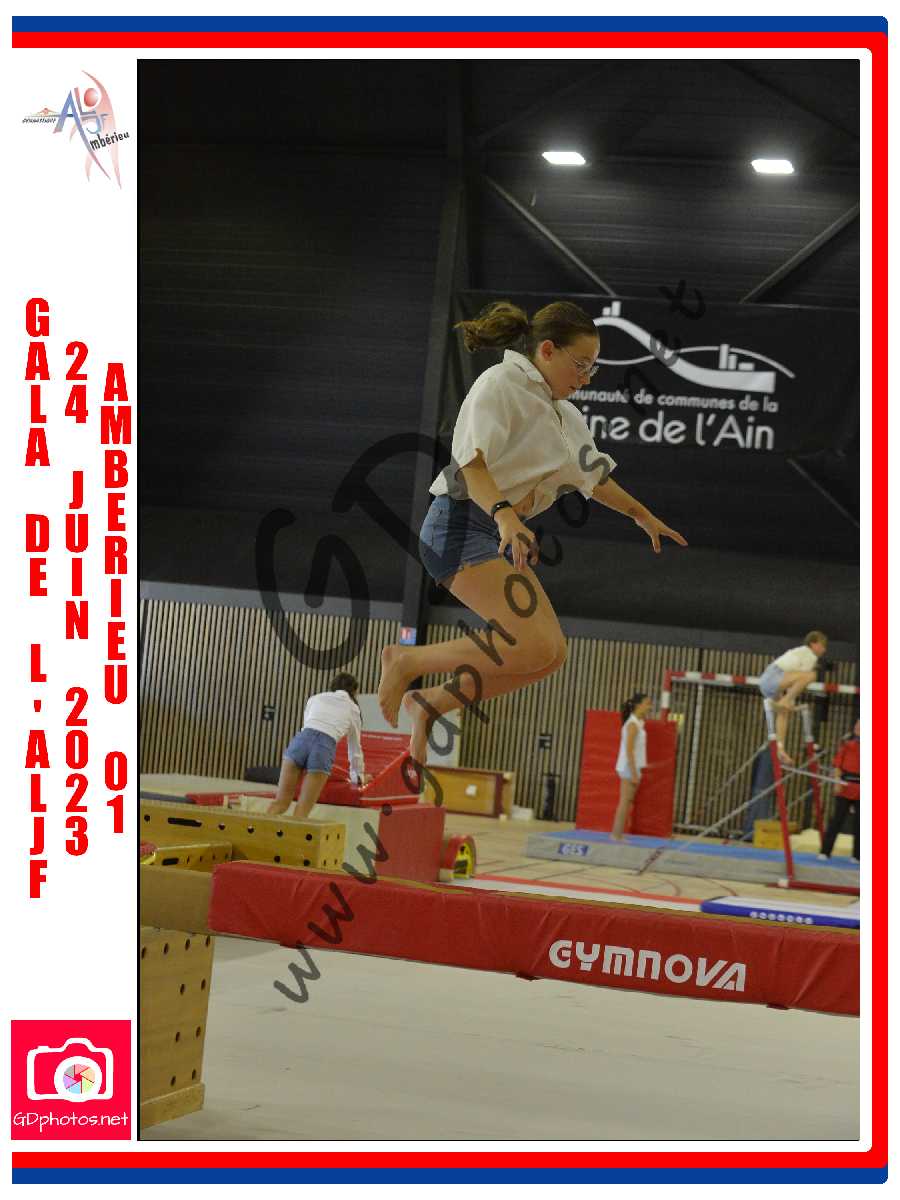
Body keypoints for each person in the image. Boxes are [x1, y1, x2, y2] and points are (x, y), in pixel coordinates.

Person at [375, 300, 687, 769]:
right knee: (533, 643)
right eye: (580, 365)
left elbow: (595, 478)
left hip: (494, 531)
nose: (585, 378)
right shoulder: (501, 384)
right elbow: (471, 463)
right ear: (547, 350)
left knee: (550, 655)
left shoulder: (566, 417)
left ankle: (433, 702)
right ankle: (407, 661)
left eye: (593, 369)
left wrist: (641, 514)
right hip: (458, 525)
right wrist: (505, 516)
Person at [268, 673, 370, 818]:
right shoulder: (353, 708)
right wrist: (358, 776)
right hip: (323, 747)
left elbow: (307, 725)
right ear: (354, 691)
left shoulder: (316, 698)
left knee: (280, 803)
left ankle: (258, 831)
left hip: (300, 742)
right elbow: (354, 747)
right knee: (301, 811)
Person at [757, 631, 829, 763]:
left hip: (768, 681)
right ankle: (785, 701)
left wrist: (789, 701)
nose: (824, 649)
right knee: (811, 675)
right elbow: (802, 680)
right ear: (813, 644)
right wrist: (789, 699)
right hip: (773, 677)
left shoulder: (800, 652)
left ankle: (780, 749)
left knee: (783, 712)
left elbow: (795, 683)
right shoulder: (809, 654)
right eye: (822, 645)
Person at [611, 692, 653, 840]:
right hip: (629, 767)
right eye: (647, 704)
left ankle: (617, 834)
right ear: (638, 705)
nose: (650, 707)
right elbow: (629, 750)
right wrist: (634, 773)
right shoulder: (633, 725)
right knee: (625, 801)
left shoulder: (638, 723)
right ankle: (616, 835)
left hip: (633, 766)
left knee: (627, 801)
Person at [818, 718, 860, 862]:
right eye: (857, 723)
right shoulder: (847, 744)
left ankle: (858, 855)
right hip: (845, 785)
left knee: (860, 824)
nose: (857, 726)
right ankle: (825, 851)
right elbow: (837, 765)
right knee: (836, 820)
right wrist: (837, 781)